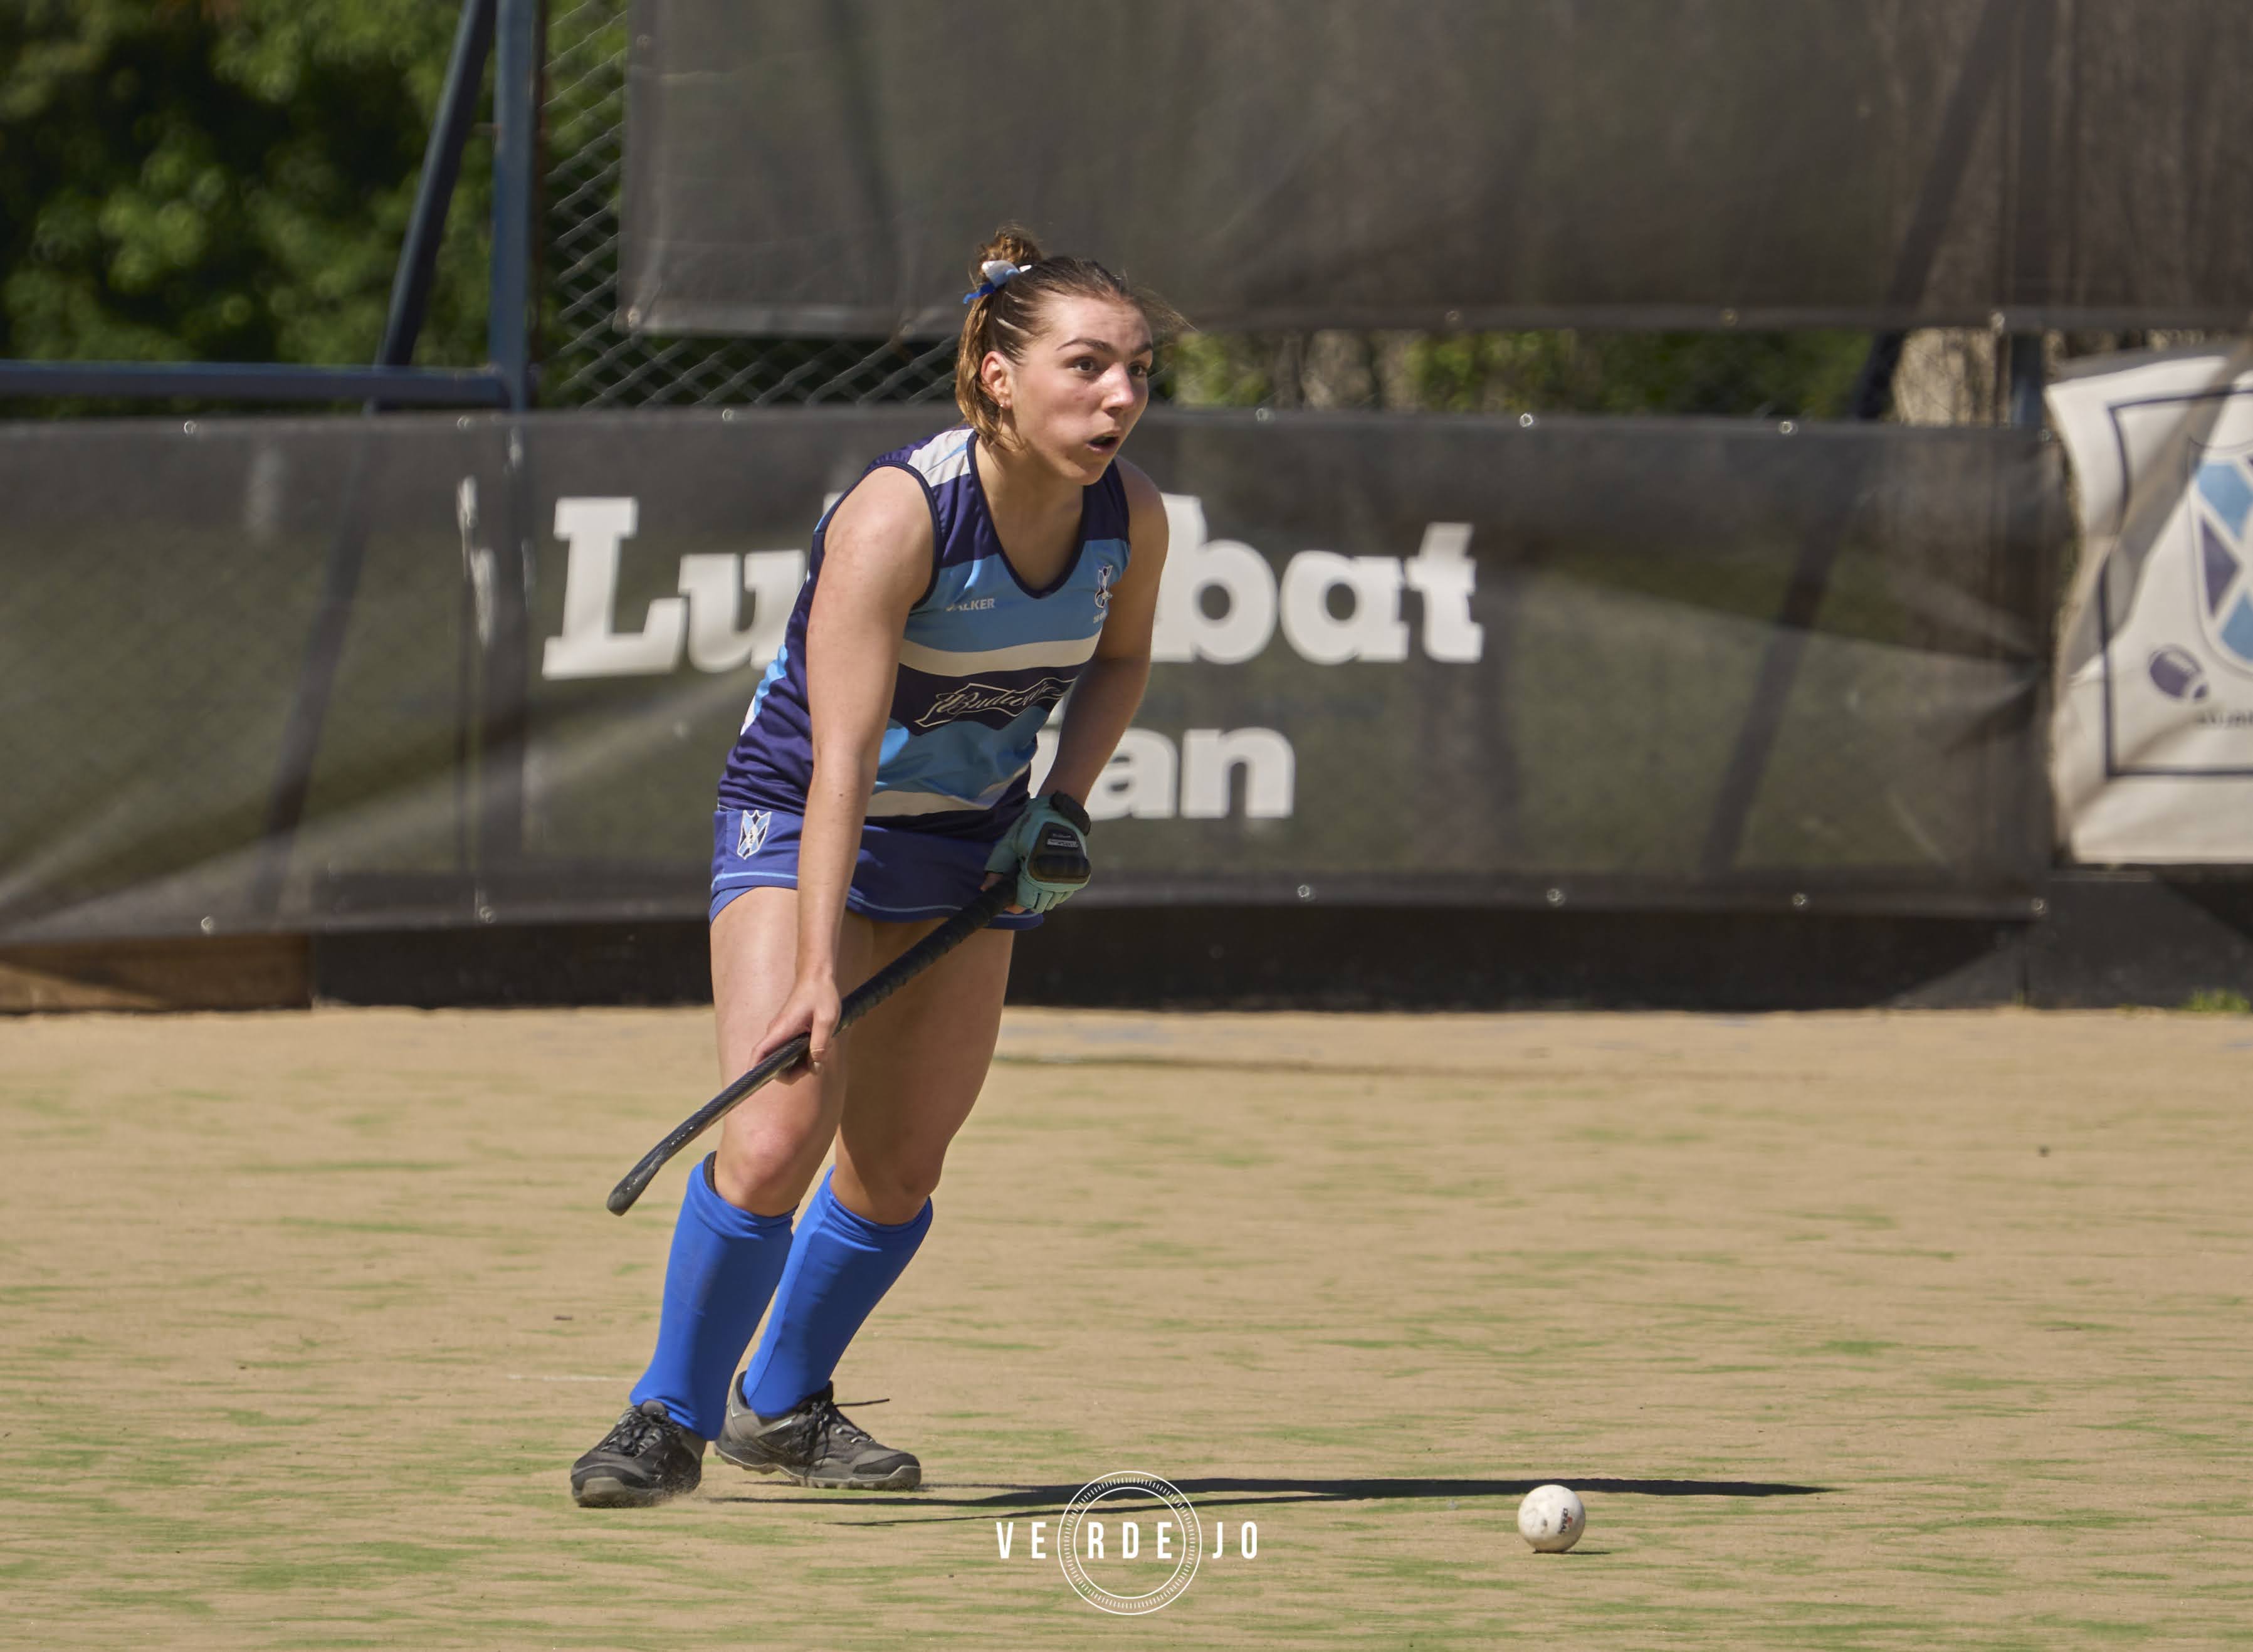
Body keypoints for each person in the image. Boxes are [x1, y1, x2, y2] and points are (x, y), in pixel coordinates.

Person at [570, 228, 1175, 1507]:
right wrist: (810, 969)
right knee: (784, 1126)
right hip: (804, 822)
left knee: (902, 1164)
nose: (1120, 396)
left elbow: (1119, 660)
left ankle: (779, 1408)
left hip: (967, 846)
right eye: (1087, 366)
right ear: (1001, 375)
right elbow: (840, 756)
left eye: (1136, 371)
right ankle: (665, 1417)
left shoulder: (1130, 517)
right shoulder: (902, 514)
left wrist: (1060, 805)